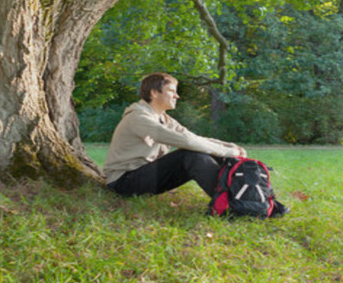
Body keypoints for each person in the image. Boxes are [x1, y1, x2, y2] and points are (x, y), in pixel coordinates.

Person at [103, 72, 245, 200]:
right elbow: (187, 141)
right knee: (190, 155)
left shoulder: (165, 119)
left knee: (207, 152)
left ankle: (246, 197)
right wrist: (228, 151)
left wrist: (230, 148)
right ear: (154, 93)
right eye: (171, 91)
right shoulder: (138, 117)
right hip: (123, 183)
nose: (177, 96)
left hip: (145, 176)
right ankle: (229, 202)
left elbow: (193, 138)